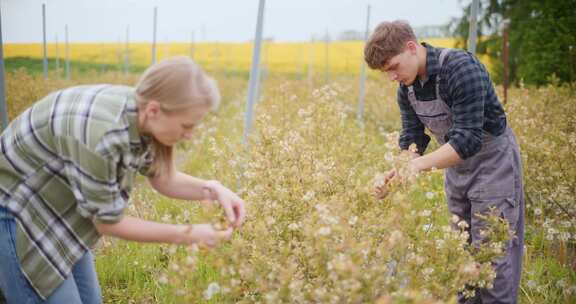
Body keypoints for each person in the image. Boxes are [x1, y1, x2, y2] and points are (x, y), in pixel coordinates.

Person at [0, 56, 246, 303]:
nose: (190, 135)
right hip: (17, 210)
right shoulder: (105, 137)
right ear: (153, 110)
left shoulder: (143, 113)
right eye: (186, 125)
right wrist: (190, 234)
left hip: (60, 205)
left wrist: (213, 189)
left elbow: (164, 178)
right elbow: (108, 223)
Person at [365, 21, 524, 303]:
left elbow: (468, 140)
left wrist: (416, 166)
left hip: (494, 163)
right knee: (459, 258)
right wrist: (392, 175)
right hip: (456, 169)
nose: (391, 76)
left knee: (493, 261)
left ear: (411, 48)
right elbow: (413, 142)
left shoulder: (461, 68)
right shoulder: (407, 89)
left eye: (393, 67)